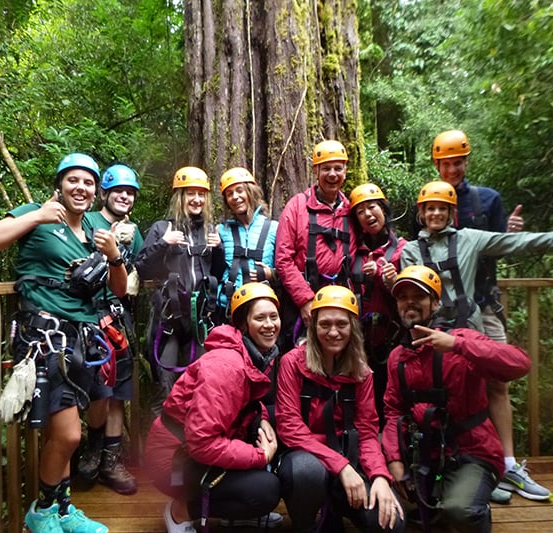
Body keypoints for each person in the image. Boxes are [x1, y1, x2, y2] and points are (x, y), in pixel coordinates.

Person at [401, 180, 553, 501]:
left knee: (490, 391)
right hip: (433, 336)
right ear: (421, 214)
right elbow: (410, 298)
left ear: (451, 213)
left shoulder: (470, 239)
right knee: (447, 400)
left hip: (470, 332)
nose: (435, 213)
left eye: (442, 208)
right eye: (429, 208)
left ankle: (503, 466)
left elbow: (516, 243)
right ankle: (467, 473)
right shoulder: (410, 251)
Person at [0, 153, 123, 533]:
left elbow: (118, 290)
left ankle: (62, 509)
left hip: (81, 340)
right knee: (69, 433)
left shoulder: (92, 230)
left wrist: (114, 257)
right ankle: (41, 512)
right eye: (74, 180)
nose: (81, 188)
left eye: (89, 183)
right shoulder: (37, 214)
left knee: (66, 435)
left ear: (95, 192)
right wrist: (37, 217)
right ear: (60, 184)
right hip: (45, 338)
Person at [383, 265, 531, 533]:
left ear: (435, 303)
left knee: (459, 511)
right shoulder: (398, 358)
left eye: (419, 296)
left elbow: (520, 363)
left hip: (473, 453)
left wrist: (458, 346)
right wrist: (394, 462)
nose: (409, 303)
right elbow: (393, 411)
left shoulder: (461, 341)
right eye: (402, 297)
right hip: (426, 454)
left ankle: (476, 510)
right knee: (406, 514)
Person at [429, 129, 530, 502]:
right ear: (437, 165)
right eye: (446, 163)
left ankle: (507, 462)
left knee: (497, 381)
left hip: (483, 304)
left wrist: (511, 234)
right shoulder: (429, 200)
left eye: (458, 162)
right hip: (444, 311)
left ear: (466, 162)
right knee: (452, 385)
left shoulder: (486, 199)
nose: (453, 169)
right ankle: (469, 462)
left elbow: (501, 247)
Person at [144, 282, 283, 533]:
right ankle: (181, 511)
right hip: (174, 460)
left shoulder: (253, 354)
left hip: (193, 448)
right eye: (260, 318)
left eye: (274, 316)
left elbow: (243, 402)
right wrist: (259, 456)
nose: (270, 325)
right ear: (243, 324)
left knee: (277, 418)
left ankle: (237, 515)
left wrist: (262, 419)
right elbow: (202, 442)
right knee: (266, 490)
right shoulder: (227, 366)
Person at [276, 285, 405, 533]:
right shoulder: (292, 363)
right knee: (306, 473)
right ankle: (308, 524)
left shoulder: (361, 372)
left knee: (392, 523)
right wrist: (341, 466)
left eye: (341, 324)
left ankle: (336, 505)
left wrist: (379, 475)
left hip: (349, 460)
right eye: (325, 324)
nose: (333, 332)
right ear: (313, 326)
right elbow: (289, 428)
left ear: (352, 328)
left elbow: (367, 433)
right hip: (307, 458)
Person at [134, 166, 225, 411]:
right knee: (165, 385)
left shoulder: (210, 231)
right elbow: (142, 268)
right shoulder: (162, 228)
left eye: (200, 194)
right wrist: (163, 244)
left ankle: (196, 445)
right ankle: (162, 447)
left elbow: (216, 274)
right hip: (169, 319)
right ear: (180, 197)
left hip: (201, 319)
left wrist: (219, 250)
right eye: (189, 193)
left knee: (202, 385)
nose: (196, 199)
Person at [77, 164, 143, 495]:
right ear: (105, 193)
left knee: (119, 391)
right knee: (95, 388)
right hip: (89, 314)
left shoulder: (135, 230)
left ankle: (110, 460)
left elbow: (142, 265)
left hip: (119, 317)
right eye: (118, 190)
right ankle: (92, 448)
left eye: (130, 192)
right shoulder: (88, 222)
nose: (124, 196)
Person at [275, 140, 356, 352]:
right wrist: (304, 300)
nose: (332, 174)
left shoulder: (351, 209)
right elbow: (283, 258)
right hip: (304, 300)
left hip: (341, 301)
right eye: (326, 168)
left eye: (338, 168)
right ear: (316, 171)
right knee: (303, 359)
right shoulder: (296, 206)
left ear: (345, 171)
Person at [348, 183, 407, 427]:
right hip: (359, 340)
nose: (368, 215)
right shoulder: (353, 251)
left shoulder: (403, 249)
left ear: (384, 209)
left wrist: (388, 279)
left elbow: (409, 298)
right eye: (360, 212)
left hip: (391, 337)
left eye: (372, 208)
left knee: (390, 396)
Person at [216, 167, 278, 322]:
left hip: (262, 307)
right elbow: (213, 269)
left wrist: (272, 274)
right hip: (228, 307)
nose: (235, 197)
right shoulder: (221, 230)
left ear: (250, 192)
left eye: (239, 191)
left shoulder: (273, 228)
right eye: (229, 194)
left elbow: (288, 266)